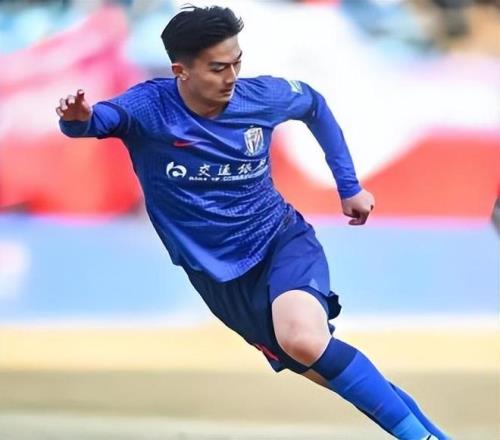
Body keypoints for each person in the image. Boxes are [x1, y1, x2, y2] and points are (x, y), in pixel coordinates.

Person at [56, 5, 450, 439]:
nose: (231, 77)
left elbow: (314, 105)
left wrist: (349, 185)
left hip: (280, 242)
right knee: (331, 370)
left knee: (303, 339)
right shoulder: (150, 107)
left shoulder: (260, 97)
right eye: (218, 68)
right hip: (220, 280)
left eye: (237, 62)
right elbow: (98, 121)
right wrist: (78, 120)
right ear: (181, 71)